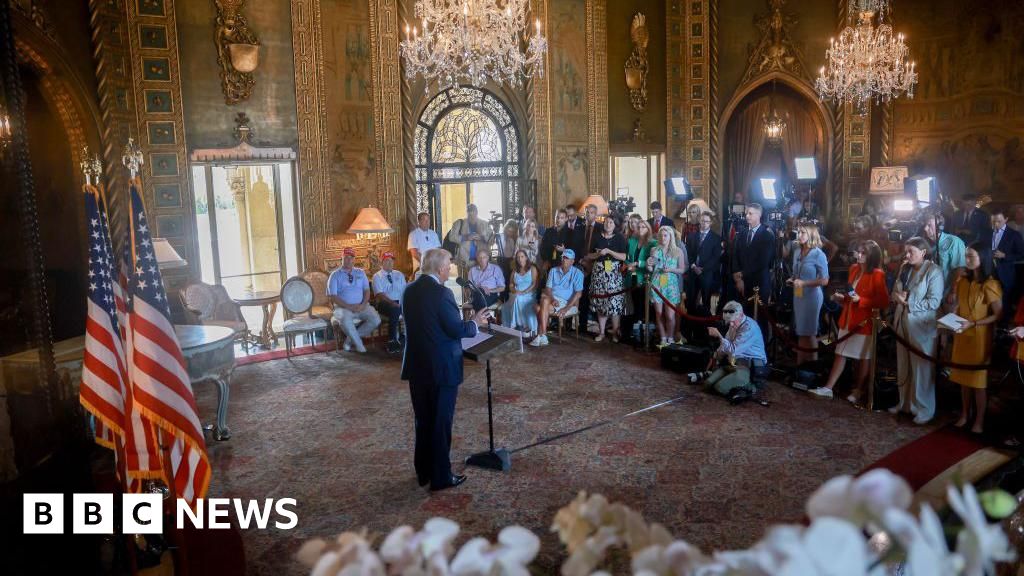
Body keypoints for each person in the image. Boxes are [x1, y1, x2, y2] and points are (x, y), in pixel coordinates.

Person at [401, 248, 491, 491]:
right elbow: (455, 330)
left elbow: (427, 324)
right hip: (441, 368)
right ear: (440, 268)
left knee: (423, 420)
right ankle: (440, 476)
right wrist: (474, 323)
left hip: (417, 366)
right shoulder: (442, 293)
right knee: (441, 423)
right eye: (450, 263)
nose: (451, 267)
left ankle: (424, 471)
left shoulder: (408, 290)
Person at [813, 241, 889, 401]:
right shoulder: (854, 269)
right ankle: (828, 387)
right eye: (859, 252)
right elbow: (851, 294)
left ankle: (859, 389)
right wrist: (842, 299)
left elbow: (883, 301)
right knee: (840, 353)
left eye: (863, 253)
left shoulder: (877, 274)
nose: (859, 255)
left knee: (863, 357)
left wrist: (861, 300)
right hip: (847, 317)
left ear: (872, 256)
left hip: (864, 321)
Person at [948, 243, 1003, 434]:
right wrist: (952, 315)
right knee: (963, 380)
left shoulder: (990, 284)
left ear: (983, 258)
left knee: (978, 382)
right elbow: (958, 305)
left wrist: (975, 323)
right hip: (962, 333)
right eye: (966, 256)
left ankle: (979, 420)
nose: (967, 260)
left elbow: (997, 314)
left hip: (980, 336)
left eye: (971, 256)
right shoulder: (963, 281)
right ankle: (965, 413)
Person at [891, 237, 944, 425]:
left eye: (911, 252)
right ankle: (904, 402)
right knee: (903, 362)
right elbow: (894, 292)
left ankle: (924, 408)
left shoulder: (934, 271)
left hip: (921, 325)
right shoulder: (904, 269)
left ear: (923, 252)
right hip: (901, 321)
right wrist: (897, 298)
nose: (906, 255)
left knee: (922, 367)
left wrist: (909, 302)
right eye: (906, 251)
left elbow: (934, 301)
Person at [687, 301, 767, 405]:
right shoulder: (733, 322)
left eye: (733, 322)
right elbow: (725, 346)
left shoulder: (749, 327)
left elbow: (733, 349)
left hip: (749, 365)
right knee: (708, 384)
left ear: (741, 315)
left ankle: (750, 387)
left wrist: (719, 336)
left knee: (720, 387)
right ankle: (729, 379)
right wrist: (716, 357)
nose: (731, 324)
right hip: (734, 361)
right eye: (729, 322)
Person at [732, 203, 775, 344]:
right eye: (746, 213)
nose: (747, 216)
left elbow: (763, 261)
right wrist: (737, 276)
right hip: (742, 282)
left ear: (759, 215)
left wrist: (742, 275)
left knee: (760, 317)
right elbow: (735, 255)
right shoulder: (742, 233)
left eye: (750, 213)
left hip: (759, 283)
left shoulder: (767, 235)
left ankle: (761, 349)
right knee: (744, 316)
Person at [327, 247, 382, 353]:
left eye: (351, 258)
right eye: (346, 257)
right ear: (341, 259)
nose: (348, 260)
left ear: (354, 259)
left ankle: (349, 340)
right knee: (346, 320)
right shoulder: (334, 275)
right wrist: (348, 306)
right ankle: (360, 346)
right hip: (343, 307)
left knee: (376, 320)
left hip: (362, 306)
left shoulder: (360, 273)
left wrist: (363, 304)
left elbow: (367, 291)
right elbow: (333, 296)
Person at [789, 223, 830, 365]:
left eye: (802, 233)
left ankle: (812, 367)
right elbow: (796, 274)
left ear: (811, 235)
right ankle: (800, 366)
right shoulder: (796, 252)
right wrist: (793, 279)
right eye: (798, 232)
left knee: (810, 332)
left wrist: (805, 283)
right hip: (798, 295)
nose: (799, 235)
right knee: (801, 331)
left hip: (812, 296)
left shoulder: (819, 254)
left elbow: (825, 280)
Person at [530, 249, 584, 347]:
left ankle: (541, 335)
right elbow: (548, 288)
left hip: (565, 302)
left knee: (538, 308)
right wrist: (553, 299)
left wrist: (566, 308)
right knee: (542, 302)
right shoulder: (553, 270)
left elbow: (578, 294)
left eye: (567, 258)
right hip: (552, 299)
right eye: (563, 257)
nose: (564, 260)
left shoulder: (578, 273)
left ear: (572, 261)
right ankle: (543, 335)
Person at [587, 216, 627, 342]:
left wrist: (609, 251)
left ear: (615, 225)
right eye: (606, 222)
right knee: (601, 303)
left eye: (611, 222)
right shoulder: (597, 237)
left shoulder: (619, 238)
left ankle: (615, 332)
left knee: (614, 303)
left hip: (614, 273)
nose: (608, 224)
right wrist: (599, 254)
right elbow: (589, 255)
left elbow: (624, 256)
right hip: (599, 272)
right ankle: (602, 332)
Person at [647, 226, 685, 347]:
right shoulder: (654, 250)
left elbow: (682, 269)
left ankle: (670, 337)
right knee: (658, 313)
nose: (663, 238)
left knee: (670, 314)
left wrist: (671, 269)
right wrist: (648, 264)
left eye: (665, 235)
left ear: (670, 237)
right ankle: (663, 338)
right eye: (661, 235)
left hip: (671, 285)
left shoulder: (678, 251)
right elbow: (650, 268)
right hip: (657, 283)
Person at [622, 219, 657, 345]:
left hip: (645, 278)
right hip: (631, 277)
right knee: (634, 305)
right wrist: (627, 265)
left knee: (644, 307)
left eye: (644, 227)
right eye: (639, 227)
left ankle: (644, 335)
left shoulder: (653, 243)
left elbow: (653, 262)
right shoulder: (632, 241)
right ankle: (634, 333)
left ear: (648, 229)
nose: (641, 229)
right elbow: (627, 258)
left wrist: (638, 264)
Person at [685, 211, 722, 316]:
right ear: (699, 221)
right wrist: (693, 266)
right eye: (702, 220)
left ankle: (705, 327)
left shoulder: (716, 238)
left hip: (707, 273)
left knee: (706, 300)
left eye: (707, 221)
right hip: (692, 272)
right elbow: (688, 253)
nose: (704, 223)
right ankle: (690, 324)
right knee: (690, 300)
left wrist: (702, 269)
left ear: (710, 223)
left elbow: (715, 258)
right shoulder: (691, 236)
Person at [921, 211, 965, 297]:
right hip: (930, 291)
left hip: (946, 292)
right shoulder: (925, 243)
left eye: (929, 225)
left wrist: (953, 292)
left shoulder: (954, 242)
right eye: (925, 225)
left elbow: (959, 269)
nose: (925, 229)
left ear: (940, 227)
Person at [372, 251, 407, 353]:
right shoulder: (377, 276)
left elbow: (405, 290)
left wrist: (405, 302)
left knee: (414, 308)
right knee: (395, 309)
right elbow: (379, 294)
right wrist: (392, 302)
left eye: (391, 261)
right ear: (382, 263)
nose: (390, 263)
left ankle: (403, 336)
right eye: (387, 261)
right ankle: (392, 339)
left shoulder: (399, 274)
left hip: (400, 302)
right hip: (384, 303)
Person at [990, 209, 1023, 315]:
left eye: (999, 221)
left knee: (1005, 301)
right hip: (989, 272)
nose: (995, 224)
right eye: (993, 221)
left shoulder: (1014, 235)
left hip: (1006, 273)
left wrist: (1005, 255)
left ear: (1006, 219)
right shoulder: (986, 232)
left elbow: (1021, 254)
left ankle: (1003, 325)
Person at [502, 249, 539, 335]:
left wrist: (524, 292)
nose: (520, 259)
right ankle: (512, 327)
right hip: (516, 293)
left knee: (518, 298)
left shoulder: (532, 268)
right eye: (518, 257)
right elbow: (511, 284)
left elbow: (534, 284)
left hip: (529, 294)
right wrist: (515, 291)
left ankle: (518, 326)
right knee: (506, 305)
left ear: (526, 257)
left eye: (522, 256)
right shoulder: (515, 271)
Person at [448, 204, 494, 268]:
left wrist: (482, 237)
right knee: (465, 278)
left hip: (482, 261)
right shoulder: (459, 223)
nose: (472, 217)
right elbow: (451, 237)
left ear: (477, 213)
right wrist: (465, 237)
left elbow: (492, 240)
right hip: (464, 261)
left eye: (473, 214)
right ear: (467, 213)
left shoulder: (485, 224)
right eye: (470, 214)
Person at [540, 208, 568, 273]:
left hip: (563, 264)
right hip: (549, 263)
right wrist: (546, 260)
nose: (558, 220)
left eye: (561, 218)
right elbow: (542, 247)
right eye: (557, 217)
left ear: (566, 219)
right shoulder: (548, 231)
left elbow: (572, 250)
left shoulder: (570, 232)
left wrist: (564, 250)